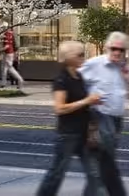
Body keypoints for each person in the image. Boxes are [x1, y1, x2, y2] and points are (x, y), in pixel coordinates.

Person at [36, 41, 101, 196]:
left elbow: (86, 105)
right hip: (68, 135)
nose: (83, 58)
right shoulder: (61, 80)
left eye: (83, 54)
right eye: (79, 55)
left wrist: (92, 130)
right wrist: (87, 101)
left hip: (84, 134)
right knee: (56, 174)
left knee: (95, 173)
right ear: (68, 58)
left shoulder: (79, 77)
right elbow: (60, 108)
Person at [80, 32, 129, 196]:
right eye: (113, 48)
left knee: (105, 164)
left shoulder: (125, 68)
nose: (117, 52)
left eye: (121, 50)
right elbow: (75, 84)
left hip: (117, 120)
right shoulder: (94, 64)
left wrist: (127, 79)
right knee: (105, 163)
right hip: (99, 118)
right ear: (106, 48)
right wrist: (87, 102)